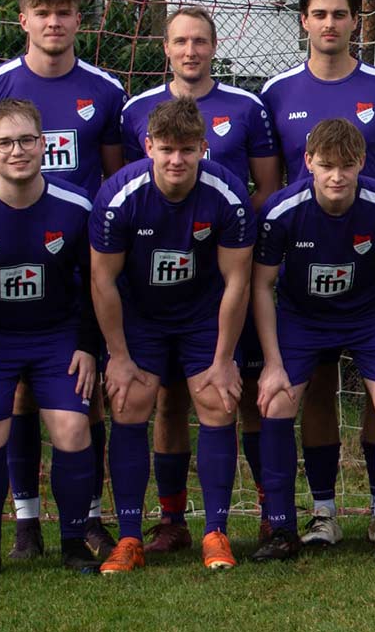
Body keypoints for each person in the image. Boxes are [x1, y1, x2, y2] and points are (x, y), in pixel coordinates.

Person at [0, 0, 125, 560]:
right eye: (43, 13)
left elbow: (114, 181)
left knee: (84, 395)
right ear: (23, 20)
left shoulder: (105, 90)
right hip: (7, 258)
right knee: (16, 400)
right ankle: (25, 519)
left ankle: (88, 520)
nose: (54, 22)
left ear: (79, 20)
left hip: (76, 260)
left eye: (64, 12)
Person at [260, 0, 375, 543]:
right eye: (319, 14)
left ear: (356, 20)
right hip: (304, 274)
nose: (330, 23)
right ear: (304, 21)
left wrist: (369, 227)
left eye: (340, 14)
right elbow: (271, 179)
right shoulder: (276, 92)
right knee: (313, 389)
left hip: (370, 269)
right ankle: (321, 513)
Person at [120, 5, 279, 556]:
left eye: (200, 41)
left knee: (242, 393)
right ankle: (171, 521)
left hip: (227, 279)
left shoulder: (247, 107)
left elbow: (265, 187)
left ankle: (269, 511)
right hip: (158, 289)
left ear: (214, 46)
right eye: (181, 41)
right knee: (168, 400)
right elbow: (133, 187)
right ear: (166, 48)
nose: (191, 51)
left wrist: (218, 233)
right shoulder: (136, 109)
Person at [0, 99, 105, 576]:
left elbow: (96, 284)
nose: (18, 151)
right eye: (6, 143)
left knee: (72, 429)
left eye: (27, 140)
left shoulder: (77, 206)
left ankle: (74, 542)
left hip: (57, 336)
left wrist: (87, 345)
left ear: (44, 145)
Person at [89, 98, 253, 574]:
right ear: (148, 147)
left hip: (203, 314)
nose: (176, 160)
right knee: (129, 402)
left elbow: (238, 281)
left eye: (186, 149)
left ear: (203, 147)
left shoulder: (228, 194)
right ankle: (129, 537)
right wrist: (118, 356)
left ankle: (215, 533)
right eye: (166, 149)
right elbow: (102, 281)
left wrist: (223, 359)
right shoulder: (118, 197)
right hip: (141, 316)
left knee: (218, 400)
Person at [251, 119, 375, 564]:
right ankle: (286, 527)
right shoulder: (280, 211)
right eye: (326, 166)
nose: (336, 176)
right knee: (276, 400)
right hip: (303, 319)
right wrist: (272, 363)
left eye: (346, 166)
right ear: (308, 162)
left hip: (370, 316)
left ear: (362, 163)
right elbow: (261, 285)